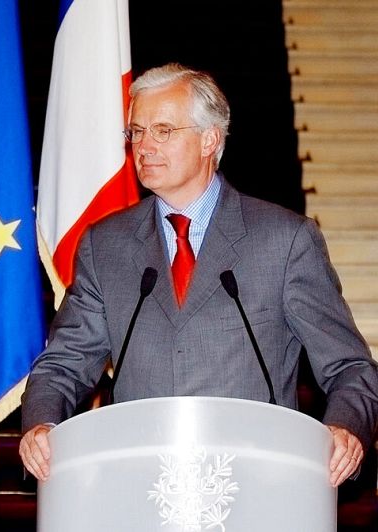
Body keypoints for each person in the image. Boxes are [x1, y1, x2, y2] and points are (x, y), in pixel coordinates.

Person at [19, 63, 378, 487]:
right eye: (136, 131)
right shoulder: (106, 245)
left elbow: (351, 368)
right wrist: (40, 425)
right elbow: (63, 364)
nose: (144, 146)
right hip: (138, 486)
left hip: (258, 483)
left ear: (210, 139)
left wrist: (345, 430)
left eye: (163, 130)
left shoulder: (284, 240)